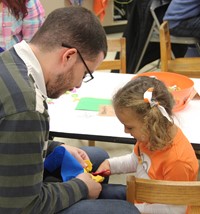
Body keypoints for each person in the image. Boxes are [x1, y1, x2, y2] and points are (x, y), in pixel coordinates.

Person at [0, 6, 140, 214]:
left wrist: (53, 146)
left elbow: (8, 138)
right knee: (124, 211)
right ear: (68, 57)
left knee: (97, 157)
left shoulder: (11, 59)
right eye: (84, 74)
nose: (78, 85)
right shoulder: (27, 106)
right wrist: (81, 188)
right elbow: (21, 207)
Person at [97, 76, 199, 213]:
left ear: (152, 122)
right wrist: (111, 165)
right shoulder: (149, 136)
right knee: (98, 195)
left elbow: (174, 210)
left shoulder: (178, 161)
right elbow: (138, 160)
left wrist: (133, 209)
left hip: (157, 209)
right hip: (142, 199)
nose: (125, 131)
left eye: (129, 127)